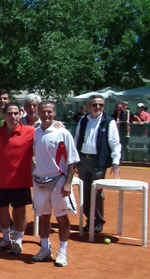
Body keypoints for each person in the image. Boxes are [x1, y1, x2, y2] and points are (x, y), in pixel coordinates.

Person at [31, 102, 80, 267]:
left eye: (49, 112)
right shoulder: (36, 133)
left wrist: (68, 183)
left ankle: (62, 252)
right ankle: (45, 249)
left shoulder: (63, 133)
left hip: (58, 180)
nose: (46, 115)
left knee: (61, 218)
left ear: (54, 113)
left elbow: (72, 160)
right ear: (38, 113)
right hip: (39, 181)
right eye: (43, 112)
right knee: (43, 217)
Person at [0, 102, 35, 254]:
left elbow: (46, 135)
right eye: (9, 113)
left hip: (21, 181)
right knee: (2, 210)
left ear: (20, 114)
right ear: (4, 115)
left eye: (16, 113)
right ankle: (5, 238)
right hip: (1, 181)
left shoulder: (30, 131)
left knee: (19, 211)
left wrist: (57, 124)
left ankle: (18, 240)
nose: (13, 116)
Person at [74, 94, 121, 234]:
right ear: (89, 106)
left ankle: (99, 221)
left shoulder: (109, 122)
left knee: (97, 193)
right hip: (83, 161)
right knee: (85, 192)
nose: (98, 107)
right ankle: (90, 220)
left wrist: (115, 163)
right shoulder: (83, 121)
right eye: (94, 105)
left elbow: (115, 143)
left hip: (98, 162)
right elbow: (77, 140)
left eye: (100, 105)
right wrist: (74, 160)